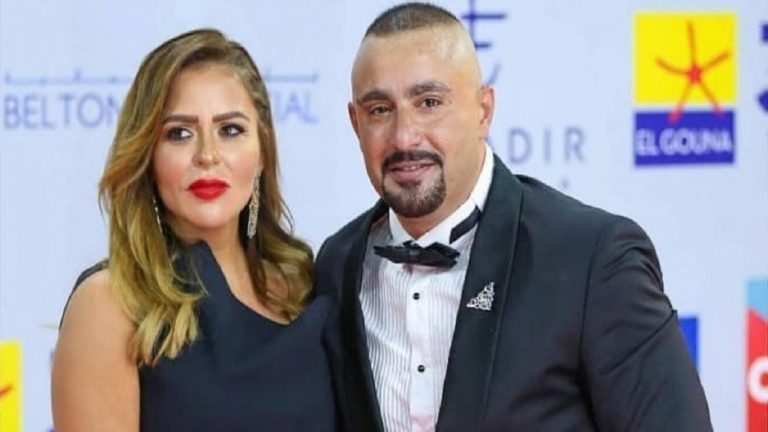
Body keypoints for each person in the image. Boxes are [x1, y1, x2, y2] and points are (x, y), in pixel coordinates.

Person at [315, 3, 712, 431]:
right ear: (355, 123)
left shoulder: (592, 258)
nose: (405, 137)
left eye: (429, 103)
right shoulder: (337, 265)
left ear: (483, 111)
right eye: (379, 110)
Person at [52, 29, 338, 431]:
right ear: (147, 157)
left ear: (262, 152)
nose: (207, 155)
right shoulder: (110, 304)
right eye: (179, 133)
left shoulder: (306, 283)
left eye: (230, 130)